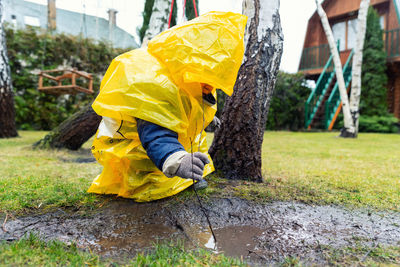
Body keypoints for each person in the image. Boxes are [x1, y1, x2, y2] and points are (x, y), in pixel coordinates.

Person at [88, 11, 247, 202]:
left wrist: (206, 119)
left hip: (176, 149)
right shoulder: (158, 86)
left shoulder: (192, 82)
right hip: (147, 160)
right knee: (147, 177)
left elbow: (189, 108)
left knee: (193, 145)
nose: (210, 87)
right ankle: (174, 169)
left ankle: (187, 175)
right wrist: (176, 159)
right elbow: (156, 133)